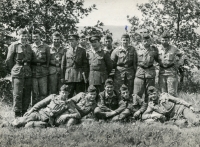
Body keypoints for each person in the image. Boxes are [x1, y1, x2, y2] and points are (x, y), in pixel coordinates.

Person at [11, 85, 81, 128]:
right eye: (63, 92)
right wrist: (31, 110)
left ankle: (31, 124)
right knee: (23, 120)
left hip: (48, 119)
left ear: (68, 93)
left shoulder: (68, 103)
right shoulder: (53, 96)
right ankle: (10, 124)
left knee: (28, 126)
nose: (64, 94)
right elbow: (41, 103)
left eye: (66, 93)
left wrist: (66, 115)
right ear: (60, 92)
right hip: (40, 113)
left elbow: (77, 115)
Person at [6, 29, 33, 117]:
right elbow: (9, 60)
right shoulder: (14, 45)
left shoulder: (29, 46)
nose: (24, 38)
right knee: (17, 93)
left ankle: (24, 113)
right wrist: (14, 69)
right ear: (18, 36)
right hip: (17, 72)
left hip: (28, 72)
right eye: (22, 36)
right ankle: (17, 115)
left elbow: (31, 59)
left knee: (27, 93)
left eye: (26, 36)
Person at [61, 33, 88, 98]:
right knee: (69, 95)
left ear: (77, 41)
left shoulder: (82, 51)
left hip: (79, 76)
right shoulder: (66, 50)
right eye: (69, 40)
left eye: (72, 40)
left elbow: (85, 64)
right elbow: (63, 64)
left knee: (79, 95)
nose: (70, 42)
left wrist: (84, 76)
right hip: (69, 76)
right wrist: (62, 76)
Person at [134, 34, 159, 103]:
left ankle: (149, 108)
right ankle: (137, 108)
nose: (146, 42)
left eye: (148, 40)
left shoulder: (154, 49)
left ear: (150, 41)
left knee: (150, 93)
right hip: (139, 73)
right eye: (144, 40)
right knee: (137, 93)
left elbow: (158, 60)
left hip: (150, 73)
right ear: (142, 41)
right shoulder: (136, 49)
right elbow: (134, 62)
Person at [157, 31, 184, 96]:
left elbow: (182, 55)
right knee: (163, 93)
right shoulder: (157, 48)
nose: (164, 41)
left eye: (166, 40)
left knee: (172, 93)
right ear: (160, 40)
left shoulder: (174, 48)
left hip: (171, 73)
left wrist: (179, 63)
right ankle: (164, 106)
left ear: (169, 40)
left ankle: (174, 106)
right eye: (162, 40)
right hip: (162, 73)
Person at [31, 29, 50, 105]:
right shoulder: (30, 46)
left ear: (40, 37)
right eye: (34, 37)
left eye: (37, 36)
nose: (35, 38)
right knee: (34, 91)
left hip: (43, 71)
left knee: (44, 92)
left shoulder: (46, 47)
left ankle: (44, 109)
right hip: (33, 71)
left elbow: (48, 59)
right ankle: (34, 108)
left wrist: (46, 69)